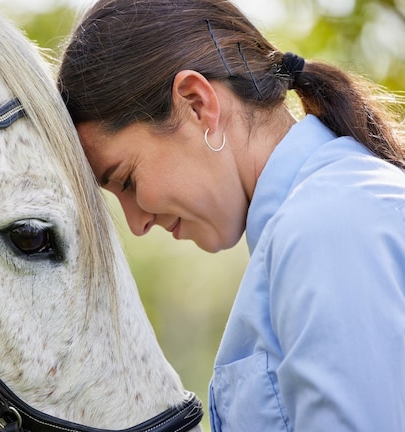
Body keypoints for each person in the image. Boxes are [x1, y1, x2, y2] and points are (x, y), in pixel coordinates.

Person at [57, 0, 405, 430]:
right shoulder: (320, 219)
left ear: (197, 104)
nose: (136, 223)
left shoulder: (326, 227)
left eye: (126, 180)